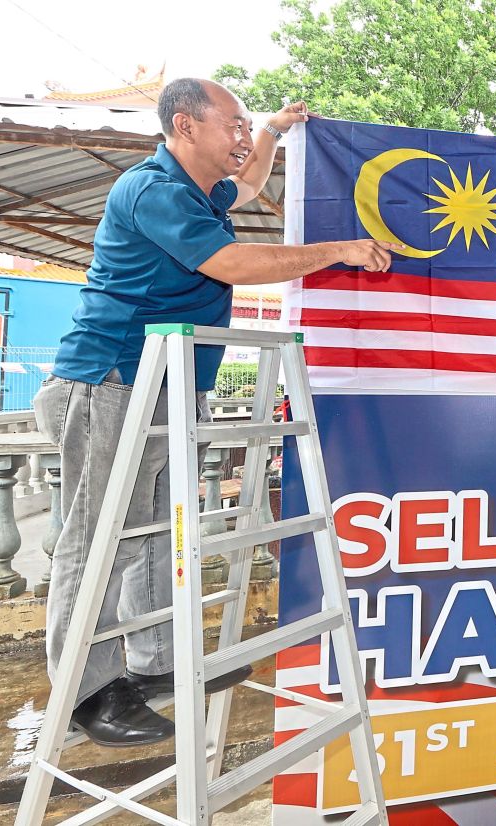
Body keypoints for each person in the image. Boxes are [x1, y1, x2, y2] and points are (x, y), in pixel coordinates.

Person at [32, 77, 400, 747]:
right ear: (184, 127)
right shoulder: (155, 190)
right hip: (112, 379)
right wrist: (337, 251)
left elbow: (253, 185)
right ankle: (86, 690)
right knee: (99, 535)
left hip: (172, 383)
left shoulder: (205, 192)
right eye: (231, 123)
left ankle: (154, 665)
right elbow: (229, 262)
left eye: (243, 125)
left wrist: (274, 131)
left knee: (150, 531)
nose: (239, 134)